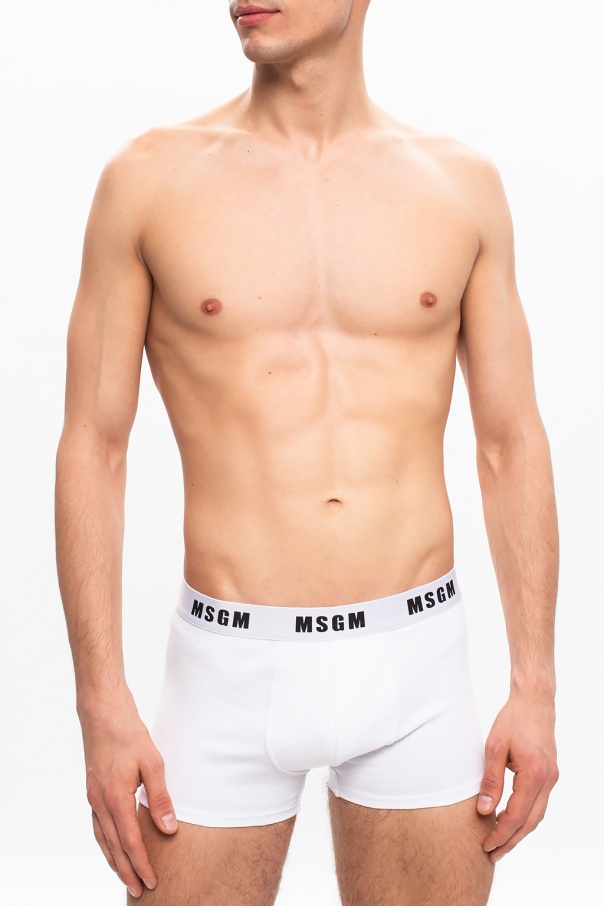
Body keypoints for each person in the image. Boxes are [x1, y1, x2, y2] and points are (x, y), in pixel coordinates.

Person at [55, 2, 559, 904]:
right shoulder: (148, 182)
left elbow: (510, 441)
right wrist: (100, 700)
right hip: (226, 669)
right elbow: (93, 445)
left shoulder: (459, 187)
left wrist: (536, 686)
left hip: (418, 664)